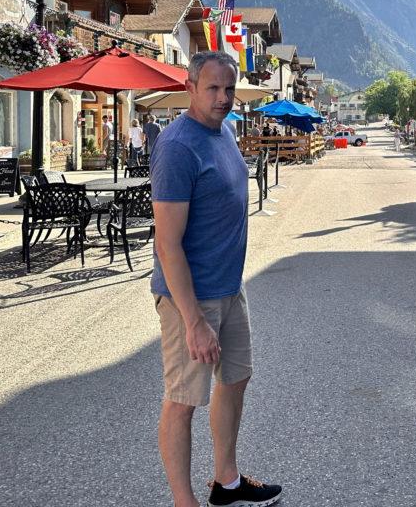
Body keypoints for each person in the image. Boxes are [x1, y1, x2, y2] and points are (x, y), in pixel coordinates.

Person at [151, 51, 282, 507]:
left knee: (236, 379)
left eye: (229, 89)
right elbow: (166, 245)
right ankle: (184, 502)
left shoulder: (224, 130)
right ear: (190, 88)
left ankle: (227, 483)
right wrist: (193, 321)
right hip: (192, 298)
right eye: (212, 88)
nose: (223, 98)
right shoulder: (177, 147)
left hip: (229, 289)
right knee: (183, 401)